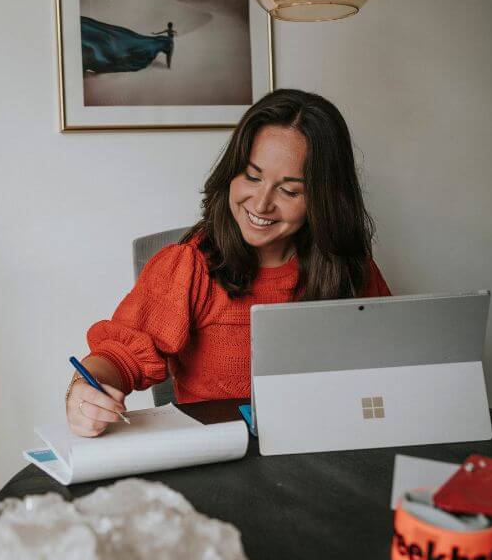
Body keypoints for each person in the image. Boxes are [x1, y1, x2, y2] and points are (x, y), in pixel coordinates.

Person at [65, 89, 391, 437]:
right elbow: (119, 355)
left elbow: (390, 362)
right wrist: (85, 391)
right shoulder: (188, 265)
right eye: (252, 177)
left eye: (291, 191)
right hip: (223, 461)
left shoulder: (349, 266)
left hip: (325, 445)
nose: (261, 204)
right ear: (231, 172)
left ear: (324, 200)